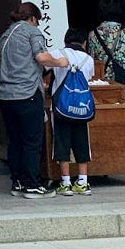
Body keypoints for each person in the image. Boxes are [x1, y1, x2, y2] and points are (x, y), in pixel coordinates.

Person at [0, 1, 67, 199]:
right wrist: (61, 61)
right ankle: (32, 184)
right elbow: (41, 57)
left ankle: (17, 182)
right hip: (26, 93)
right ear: (34, 18)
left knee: (15, 140)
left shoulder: (6, 34)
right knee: (32, 141)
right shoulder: (31, 31)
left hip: (5, 94)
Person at [49, 29, 96, 196]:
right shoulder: (88, 59)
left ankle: (66, 182)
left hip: (61, 106)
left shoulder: (57, 53)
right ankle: (83, 181)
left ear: (65, 40)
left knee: (62, 140)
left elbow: (45, 69)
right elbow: (88, 79)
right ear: (83, 42)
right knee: (82, 140)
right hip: (81, 105)